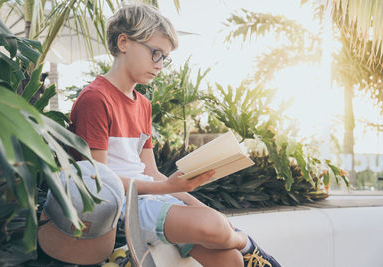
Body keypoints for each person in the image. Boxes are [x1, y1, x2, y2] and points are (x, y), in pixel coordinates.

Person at [69, 3, 281, 267]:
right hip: (120, 207)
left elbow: (152, 172)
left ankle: (238, 242)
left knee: (229, 259)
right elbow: (98, 179)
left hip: (149, 197)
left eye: (164, 58)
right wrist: (167, 188)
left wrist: (189, 199)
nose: (159, 65)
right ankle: (246, 241)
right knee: (217, 227)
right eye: (155, 53)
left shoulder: (142, 105)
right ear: (124, 42)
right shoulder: (96, 98)